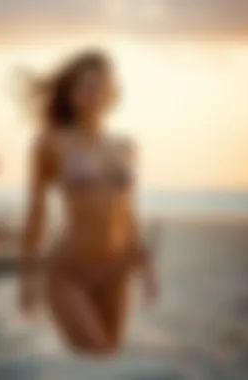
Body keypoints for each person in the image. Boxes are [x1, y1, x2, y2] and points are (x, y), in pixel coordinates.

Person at [18, 50, 158, 357]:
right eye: (83, 86)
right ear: (71, 94)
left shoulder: (126, 147)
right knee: (93, 355)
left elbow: (127, 213)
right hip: (70, 271)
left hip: (117, 271)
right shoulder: (51, 143)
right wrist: (27, 278)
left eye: (100, 85)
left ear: (113, 93)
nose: (91, 93)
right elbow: (37, 214)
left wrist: (146, 266)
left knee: (110, 356)